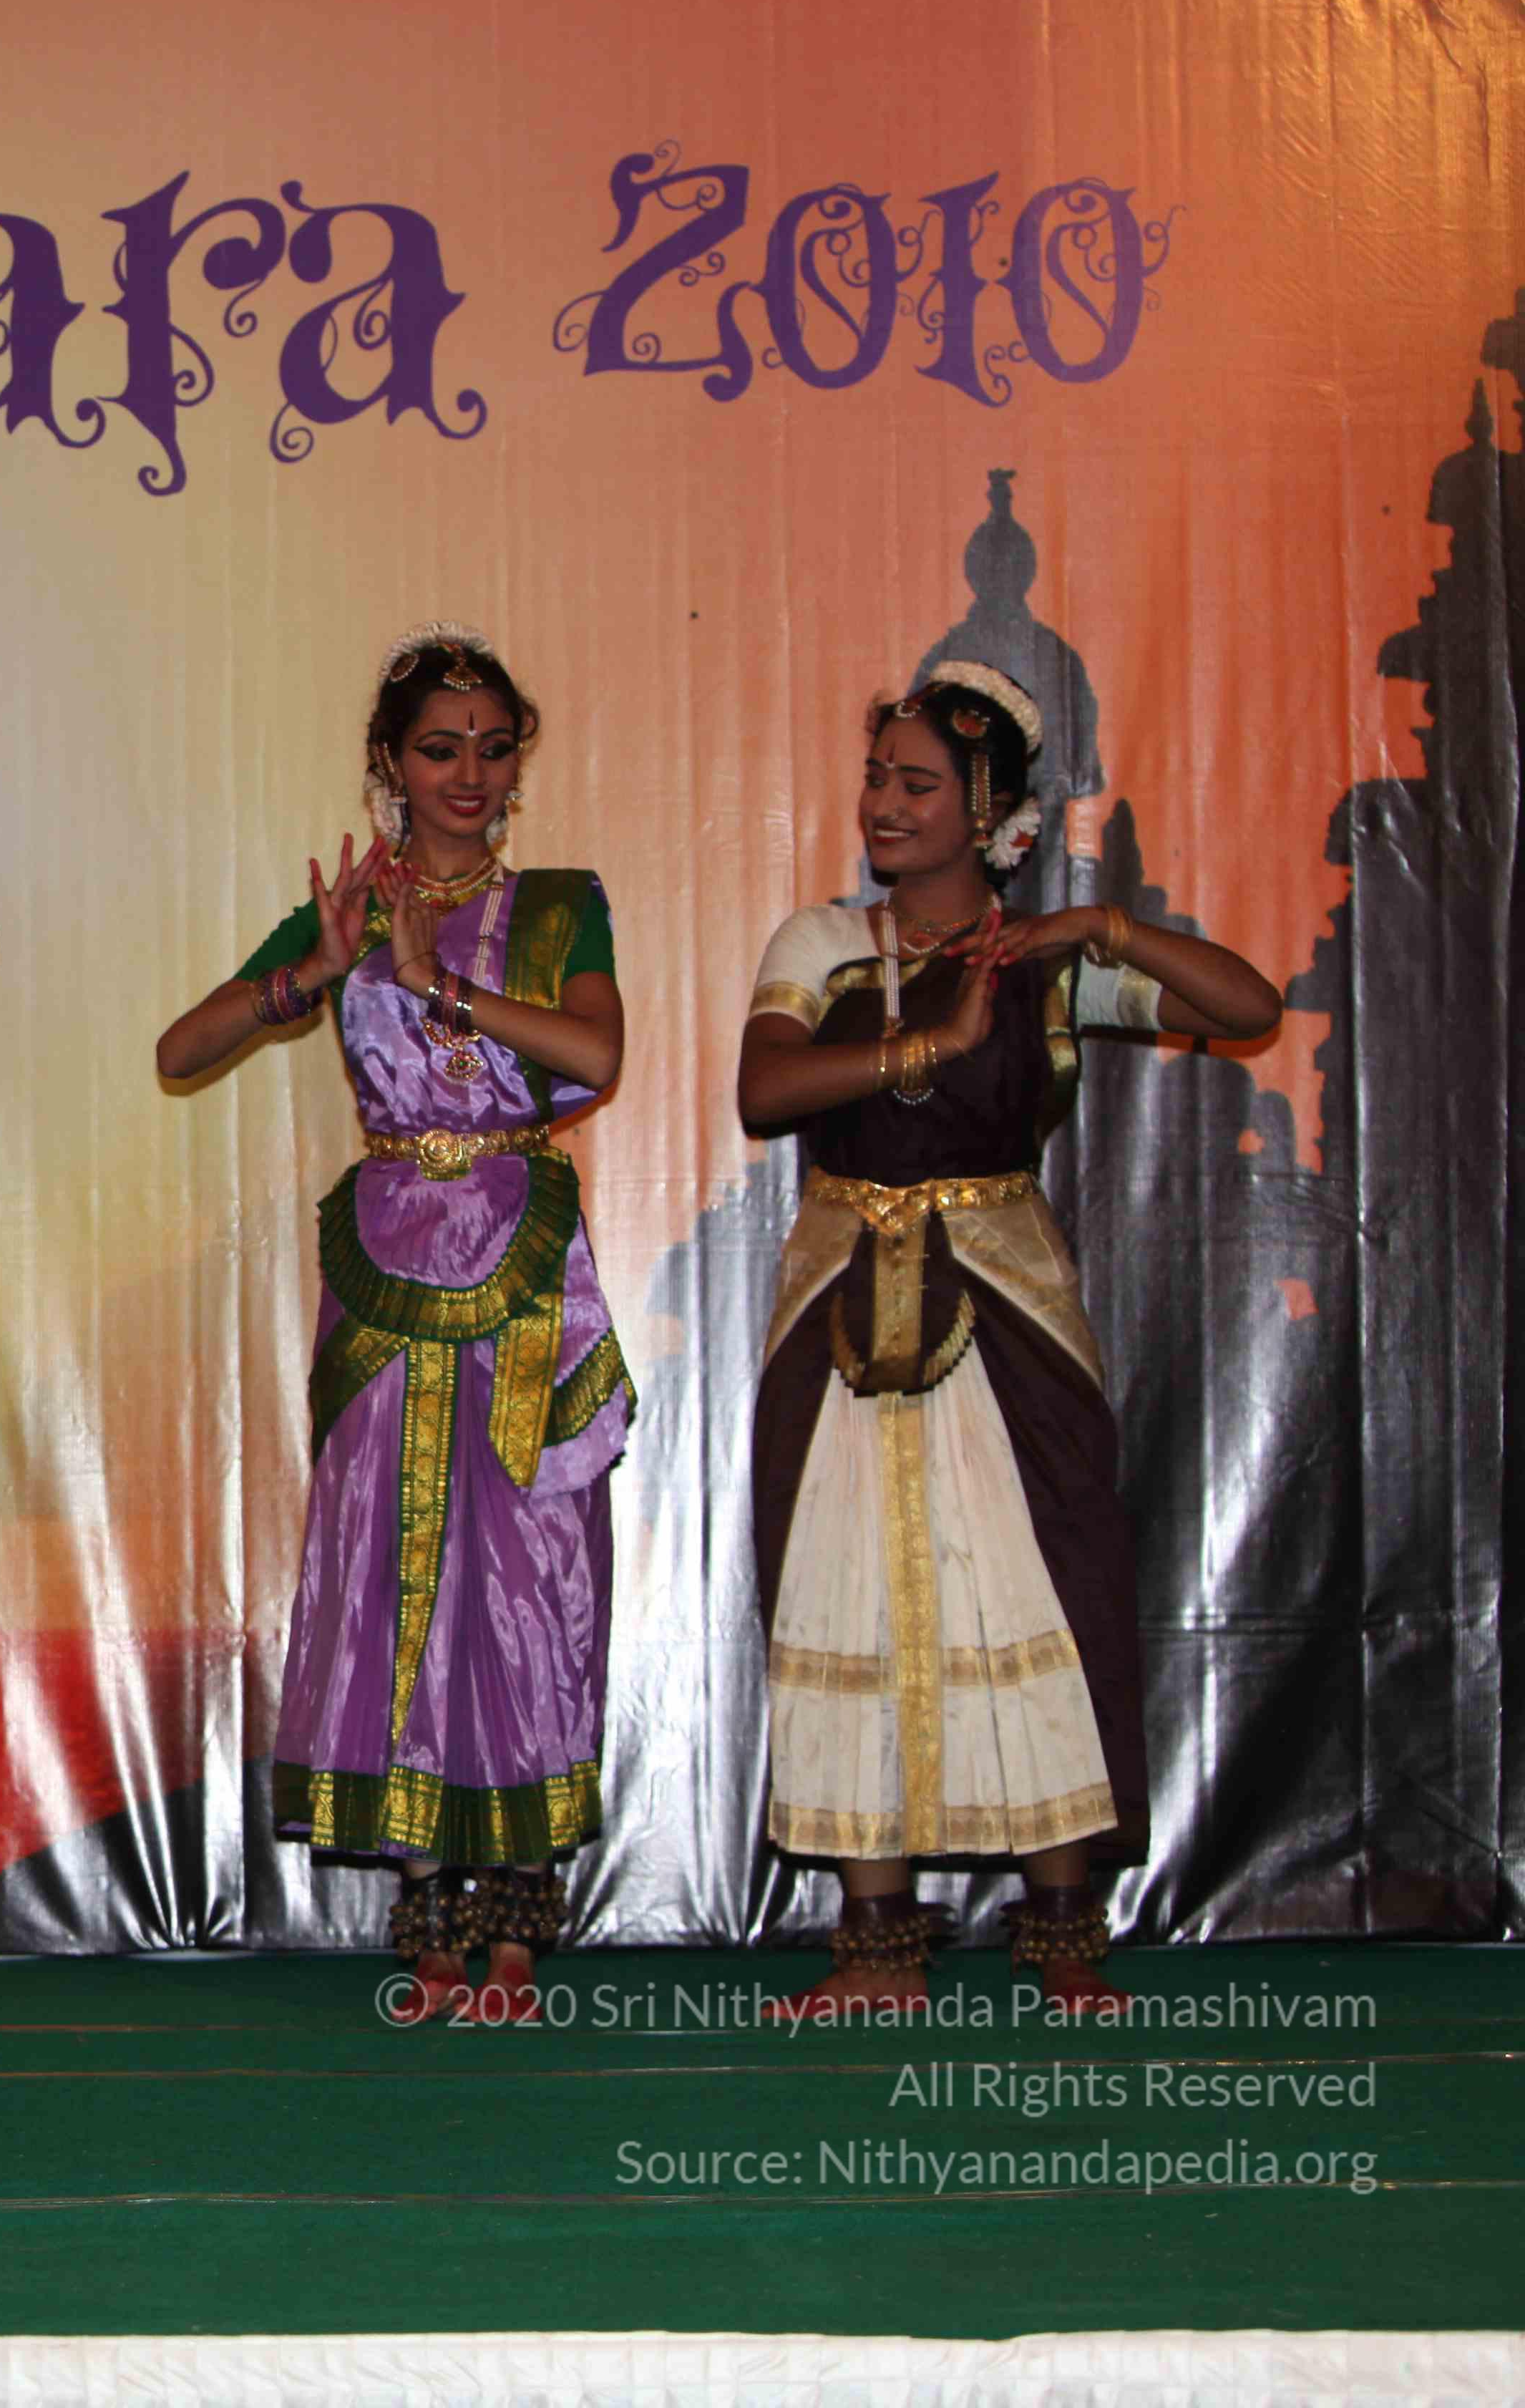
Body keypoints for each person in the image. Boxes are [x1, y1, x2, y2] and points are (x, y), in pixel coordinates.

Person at [736, 661, 1278, 2014]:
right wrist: (929, 1045)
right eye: (877, 777)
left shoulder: (1041, 965)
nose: (884, 803)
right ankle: (874, 1948)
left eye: (917, 784)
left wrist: (1102, 928)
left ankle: (1063, 1932)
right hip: (843, 1300)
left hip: (1004, 1304)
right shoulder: (823, 941)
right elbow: (767, 1087)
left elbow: (1248, 1008)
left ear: (990, 814)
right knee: (850, 1580)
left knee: (1034, 1579)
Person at [152, 633, 630, 2024]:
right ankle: (426, 1910)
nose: (469, 773)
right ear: (389, 764)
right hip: (386, 1269)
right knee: (394, 1554)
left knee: (533, 1568)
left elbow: (595, 1054)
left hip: (526, 1264)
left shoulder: (560, 906)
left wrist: (439, 987)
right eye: (439, 747)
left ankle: (519, 1919)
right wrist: (316, 969)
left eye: (493, 746)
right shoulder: (353, 910)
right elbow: (182, 1050)